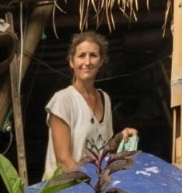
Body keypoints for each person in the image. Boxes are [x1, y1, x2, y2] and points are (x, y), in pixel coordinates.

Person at [43, 30, 137, 179]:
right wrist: (92, 185)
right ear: (71, 62)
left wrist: (121, 137)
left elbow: (103, 148)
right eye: (81, 56)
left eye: (93, 55)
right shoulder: (63, 100)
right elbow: (63, 161)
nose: (87, 62)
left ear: (101, 62)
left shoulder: (104, 98)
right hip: (64, 191)